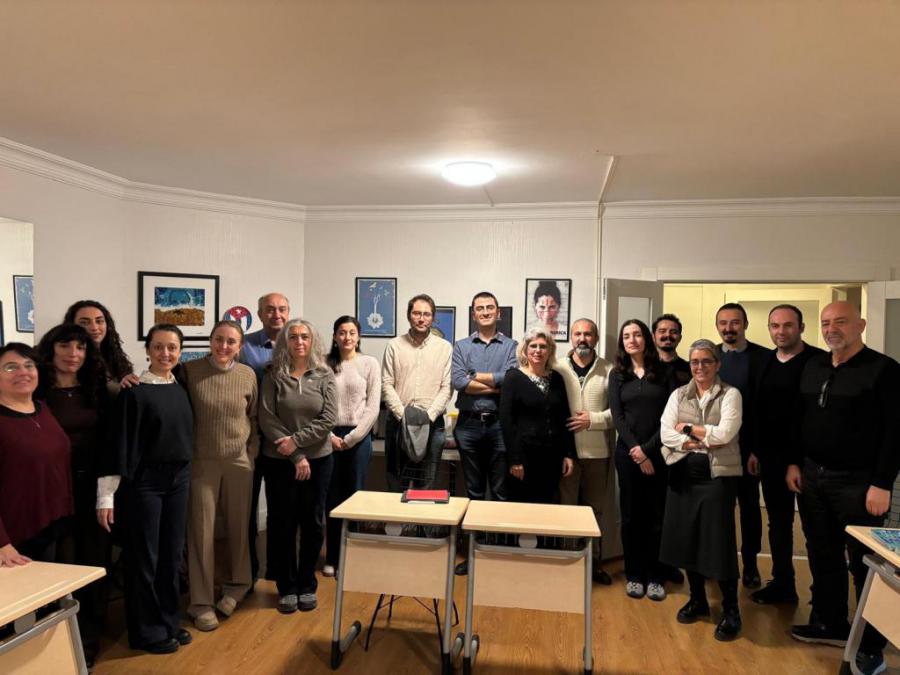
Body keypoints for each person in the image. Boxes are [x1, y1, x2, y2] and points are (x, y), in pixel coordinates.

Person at [787, 301, 900, 675]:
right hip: (813, 476)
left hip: (859, 483)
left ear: (861, 325)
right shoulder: (814, 365)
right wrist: (794, 463)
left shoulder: (884, 370)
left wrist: (881, 483)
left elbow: (895, 433)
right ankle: (830, 622)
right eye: (825, 323)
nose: (831, 329)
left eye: (840, 322)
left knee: (866, 563)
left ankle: (870, 646)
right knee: (822, 554)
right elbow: (800, 418)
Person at [96, 324, 193, 655]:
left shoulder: (180, 387)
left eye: (172, 347)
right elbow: (118, 447)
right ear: (148, 350)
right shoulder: (133, 392)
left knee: (171, 555)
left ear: (180, 351)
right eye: (159, 347)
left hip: (179, 480)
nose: (166, 353)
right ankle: (145, 632)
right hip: (145, 484)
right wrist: (106, 497)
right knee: (145, 558)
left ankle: (168, 622)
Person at [659, 339, 743, 642]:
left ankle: (731, 610)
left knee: (718, 542)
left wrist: (686, 428)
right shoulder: (679, 394)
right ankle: (698, 600)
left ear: (717, 364)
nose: (700, 367)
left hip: (716, 477)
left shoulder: (731, 394)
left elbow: (725, 434)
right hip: (683, 475)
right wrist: (696, 440)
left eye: (706, 361)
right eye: (695, 361)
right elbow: (665, 432)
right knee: (687, 540)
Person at [36, 324, 110, 665]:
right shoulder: (36, 392)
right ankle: (50, 645)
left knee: (92, 562)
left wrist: (106, 496)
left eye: (80, 347)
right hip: (51, 490)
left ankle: (88, 641)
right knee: (55, 564)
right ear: (51, 349)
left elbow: (109, 443)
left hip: (91, 488)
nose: (73, 354)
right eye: (65, 345)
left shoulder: (96, 389)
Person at [183, 320, 258, 631]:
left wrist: (250, 453)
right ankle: (200, 602)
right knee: (201, 533)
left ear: (240, 346)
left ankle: (237, 586)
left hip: (239, 462)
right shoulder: (190, 371)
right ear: (210, 340)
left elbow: (254, 417)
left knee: (240, 527)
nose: (223, 346)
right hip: (202, 463)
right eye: (218, 339)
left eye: (231, 342)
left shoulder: (247, 374)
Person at [258, 319, 336, 614]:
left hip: (319, 460)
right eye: (293, 337)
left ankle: (307, 584)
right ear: (285, 342)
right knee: (283, 524)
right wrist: (295, 455)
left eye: (305, 336)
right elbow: (267, 417)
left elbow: (328, 418)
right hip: (279, 461)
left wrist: (297, 443)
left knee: (313, 523)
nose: (299, 342)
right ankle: (287, 586)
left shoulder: (325, 374)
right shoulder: (273, 374)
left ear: (312, 340)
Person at [747, 305, 823, 605]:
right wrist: (755, 450)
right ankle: (783, 585)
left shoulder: (818, 362)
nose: (781, 331)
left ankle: (823, 598)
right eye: (775, 326)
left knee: (814, 529)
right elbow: (758, 410)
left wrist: (797, 461)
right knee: (778, 525)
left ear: (801, 327)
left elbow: (814, 417)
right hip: (770, 459)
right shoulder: (765, 361)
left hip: (807, 461)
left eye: (788, 325)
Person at [450, 292, 517, 574]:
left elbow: (511, 380)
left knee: (501, 491)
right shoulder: (461, 346)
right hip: (468, 426)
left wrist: (475, 376)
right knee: (474, 492)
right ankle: (474, 554)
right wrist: (495, 385)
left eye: (490, 307)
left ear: (498, 313)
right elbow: (458, 381)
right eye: (480, 308)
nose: (486, 312)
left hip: (500, 426)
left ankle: (498, 552)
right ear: (473, 314)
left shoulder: (512, 346)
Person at [609, 319, 674, 601]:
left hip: (658, 453)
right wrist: (636, 450)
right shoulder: (617, 374)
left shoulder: (664, 372)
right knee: (631, 516)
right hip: (627, 455)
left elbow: (670, 417)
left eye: (637, 334)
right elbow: (617, 416)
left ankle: (656, 576)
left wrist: (647, 450)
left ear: (646, 338)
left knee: (657, 517)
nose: (632, 340)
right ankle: (634, 574)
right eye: (626, 336)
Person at [0, 343, 72, 567]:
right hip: (14, 537)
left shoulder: (42, 408)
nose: (23, 372)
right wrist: (2, 544)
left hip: (51, 525)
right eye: (11, 367)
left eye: (29, 365)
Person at [555, 318, 615, 584]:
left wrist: (593, 419)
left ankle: (594, 564)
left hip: (597, 453)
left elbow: (619, 413)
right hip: (566, 455)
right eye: (577, 334)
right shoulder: (557, 368)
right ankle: (568, 563)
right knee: (567, 509)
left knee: (594, 511)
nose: (582, 339)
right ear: (571, 337)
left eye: (588, 334)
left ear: (596, 338)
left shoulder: (609, 370)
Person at [714, 302, 767, 588]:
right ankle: (718, 563)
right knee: (719, 510)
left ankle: (750, 565)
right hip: (716, 448)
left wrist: (757, 449)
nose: (729, 328)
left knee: (749, 509)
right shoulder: (709, 356)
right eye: (723, 323)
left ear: (745, 324)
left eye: (735, 322)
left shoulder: (762, 358)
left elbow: (763, 408)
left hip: (748, 450)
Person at [323, 315, 380, 577]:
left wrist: (351, 438)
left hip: (359, 437)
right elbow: (316, 404)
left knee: (355, 498)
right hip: (329, 437)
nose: (347, 337)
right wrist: (329, 436)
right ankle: (332, 556)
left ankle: (352, 559)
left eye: (352, 332)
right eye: (342, 332)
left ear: (359, 336)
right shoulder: (323, 364)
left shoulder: (369, 363)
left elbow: (373, 406)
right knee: (332, 498)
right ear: (335, 336)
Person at [239, 292, 291, 584]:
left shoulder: (298, 344)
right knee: (247, 509)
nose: (276, 314)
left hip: (283, 440)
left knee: (280, 508)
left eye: (282, 309)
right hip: (249, 437)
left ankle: (277, 568)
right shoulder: (244, 346)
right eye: (270, 309)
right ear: (259, 314)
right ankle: (248, 571)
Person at [382, 294, 452, 491]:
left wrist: (427, 417)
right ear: (408, 315)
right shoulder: (394, 345)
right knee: (397, 485)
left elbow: (447, 387)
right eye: (416, 313)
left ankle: (423, 515)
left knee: (426, 486)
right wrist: (404, 416)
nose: (421, 319)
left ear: (433, 317)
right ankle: (398, 514)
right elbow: (386, 384)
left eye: (426, 314)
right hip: (398, 423)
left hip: (433, 424)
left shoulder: (444, 348)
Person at [499, 327, 575, 504]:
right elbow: (506, 421)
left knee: (548, 508)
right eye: (533, 346)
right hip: (524, 457)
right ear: (525, 350)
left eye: (543, 346)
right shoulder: (513, 377)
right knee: (520, 509)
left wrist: (569, 454)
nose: (538, 351)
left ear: (550, 350)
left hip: (552, 457)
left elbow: (564, 418)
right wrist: (514, 460)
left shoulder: (557, 378)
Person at [64, 300, 137, 391]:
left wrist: (126, 384)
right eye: (84, 323)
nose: (94, 328)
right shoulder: (69, 361)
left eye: (99, 321)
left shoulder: (114, 356)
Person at [653, 313, 690, 385]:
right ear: (653, 336)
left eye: (673, 332)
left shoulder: (689, 369)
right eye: (662, 331)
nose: (668, 335)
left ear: (680, 338)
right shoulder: (645, 368)